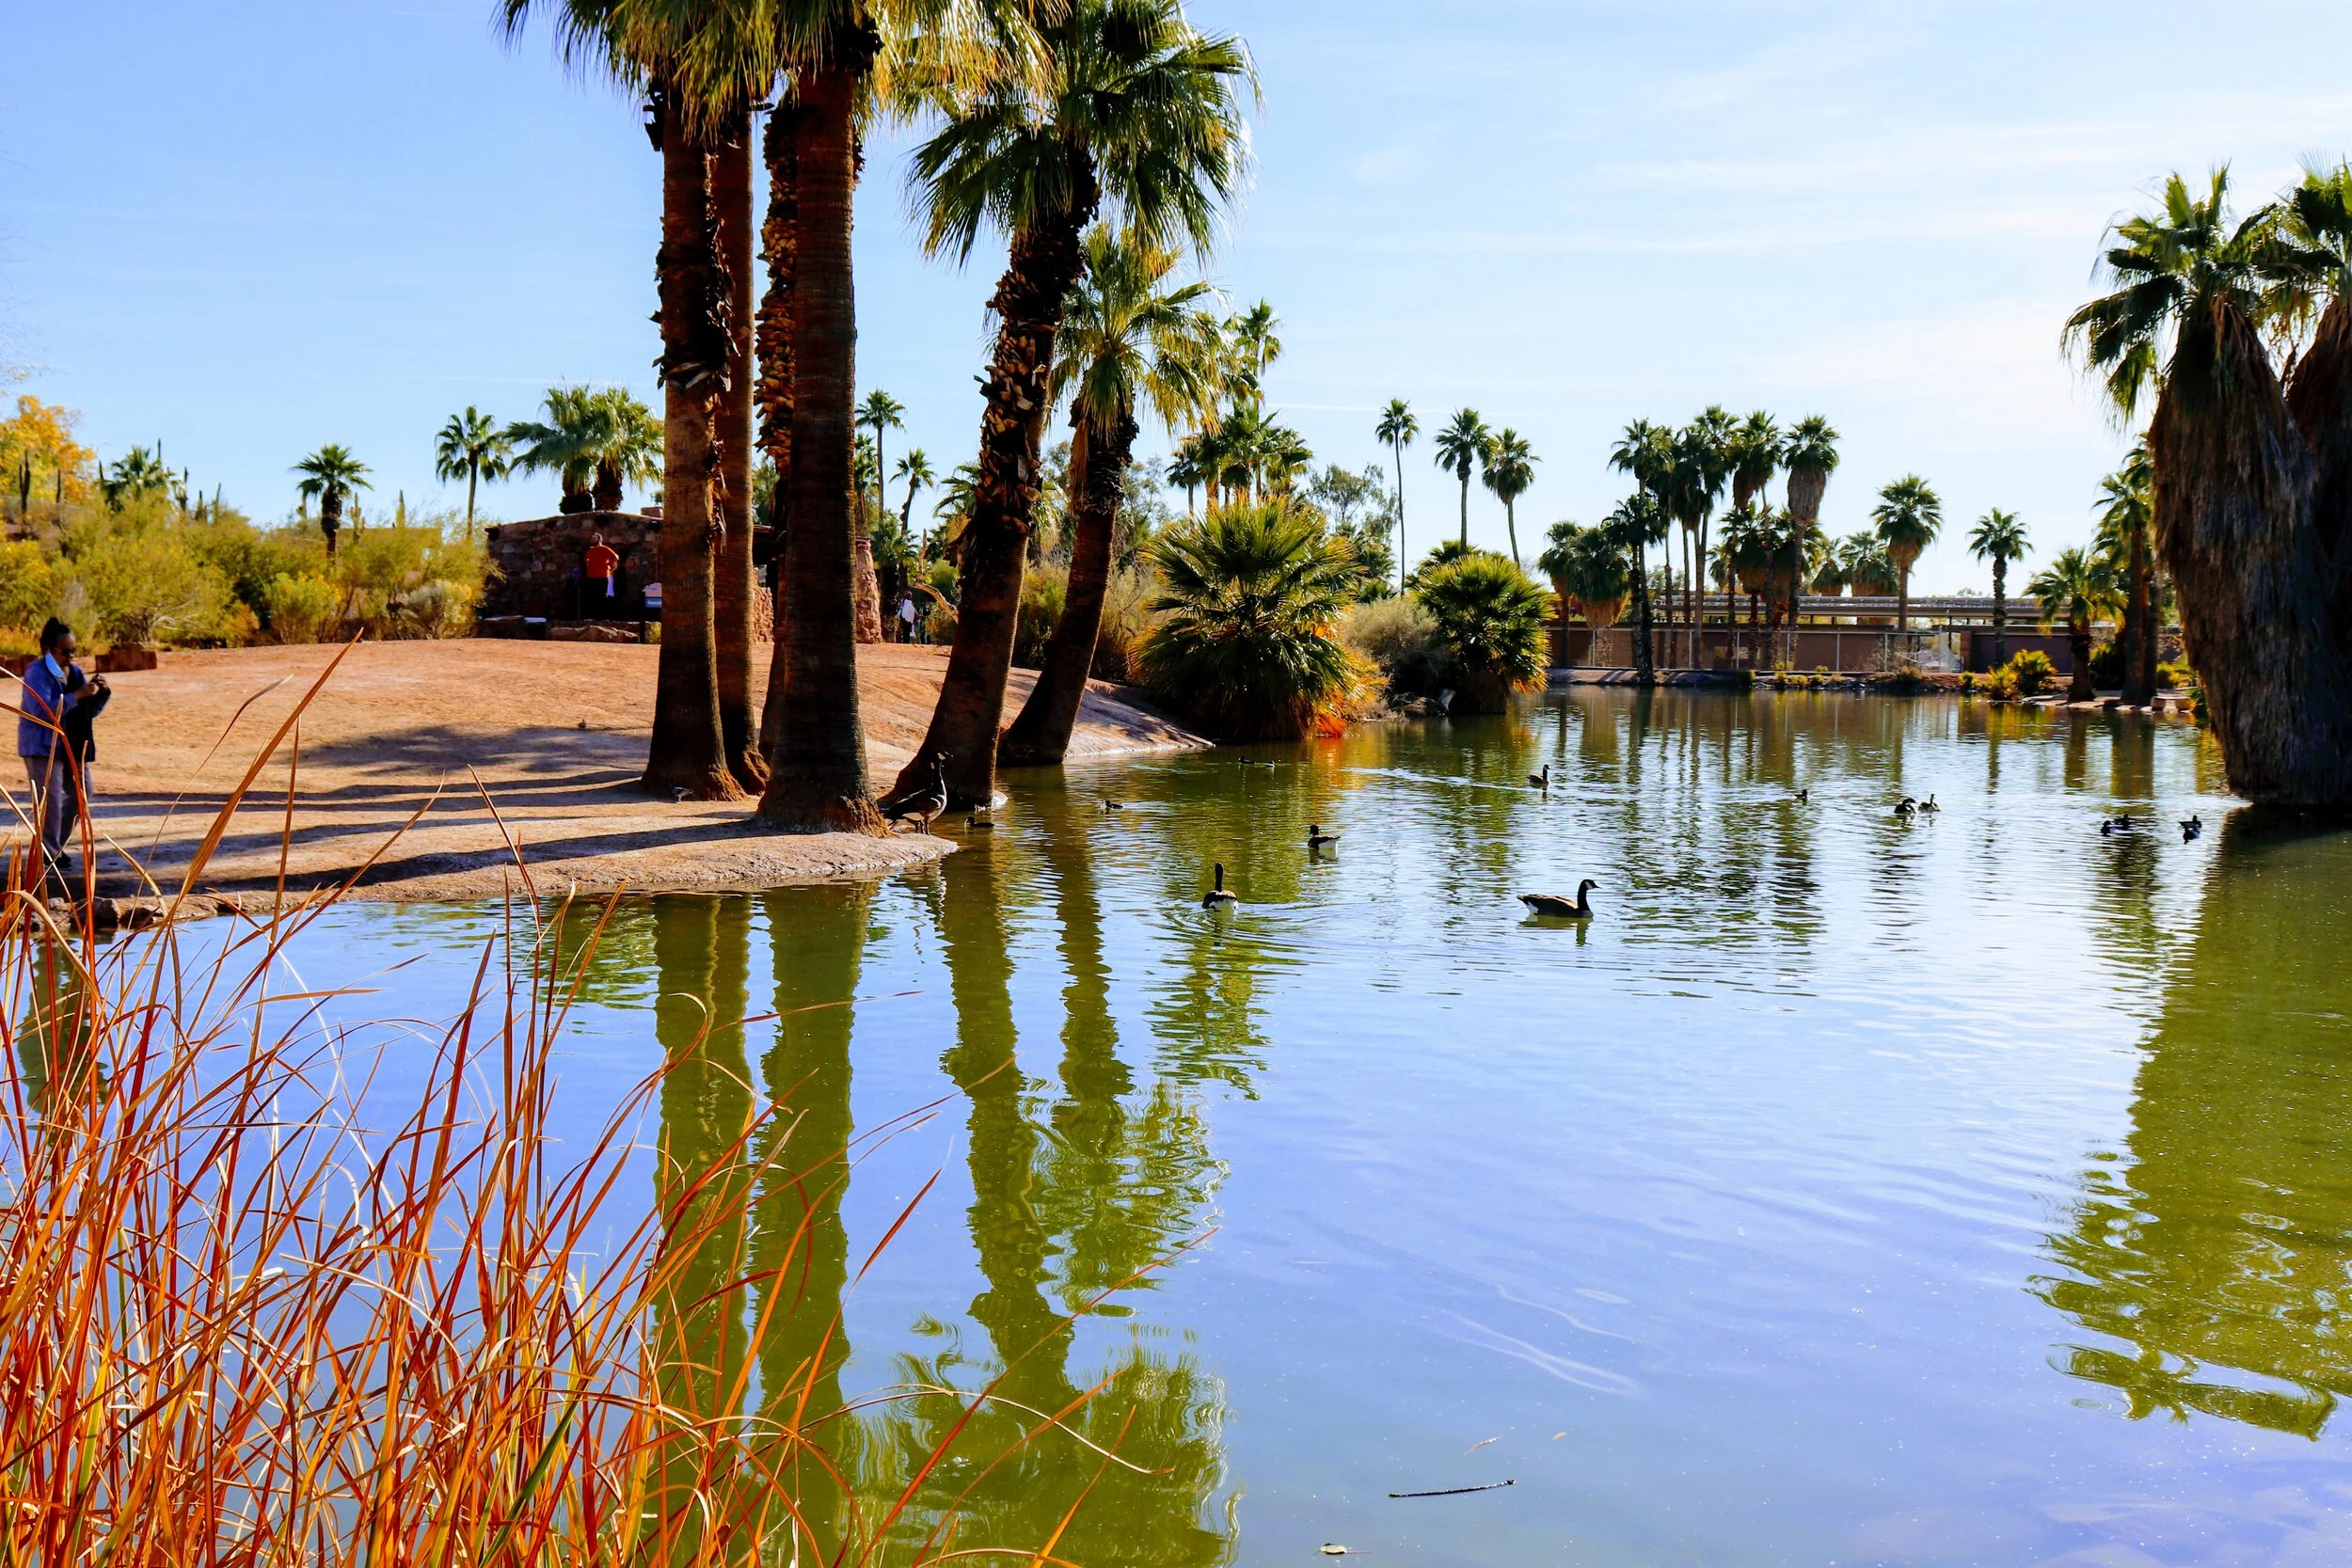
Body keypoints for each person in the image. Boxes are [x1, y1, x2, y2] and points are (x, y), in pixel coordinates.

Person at [17, 618, 102, 893]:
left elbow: (87, 711)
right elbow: (42, 711)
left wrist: (99, 694)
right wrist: (78, 694)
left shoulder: (74, 672)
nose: (70, 656)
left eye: (73, 650)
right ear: (48, 649)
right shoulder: (36, 673)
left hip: (70, 745)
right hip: (41, 745)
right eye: (65, 651)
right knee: (50, 799)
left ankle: (53, 848)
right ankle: (47, 852)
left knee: (82, 794)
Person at [584, 532, 621, 610]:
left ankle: (601, 616)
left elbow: (615, 557)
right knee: (592, 596)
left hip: (602, 577)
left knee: (602, 596)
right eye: (592, 538)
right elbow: (586, 560)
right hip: (591, 577)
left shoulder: (605, 549)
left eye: (594, 538)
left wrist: (609, 565)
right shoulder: (589, 551)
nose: (593, 540)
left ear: (599, 539)